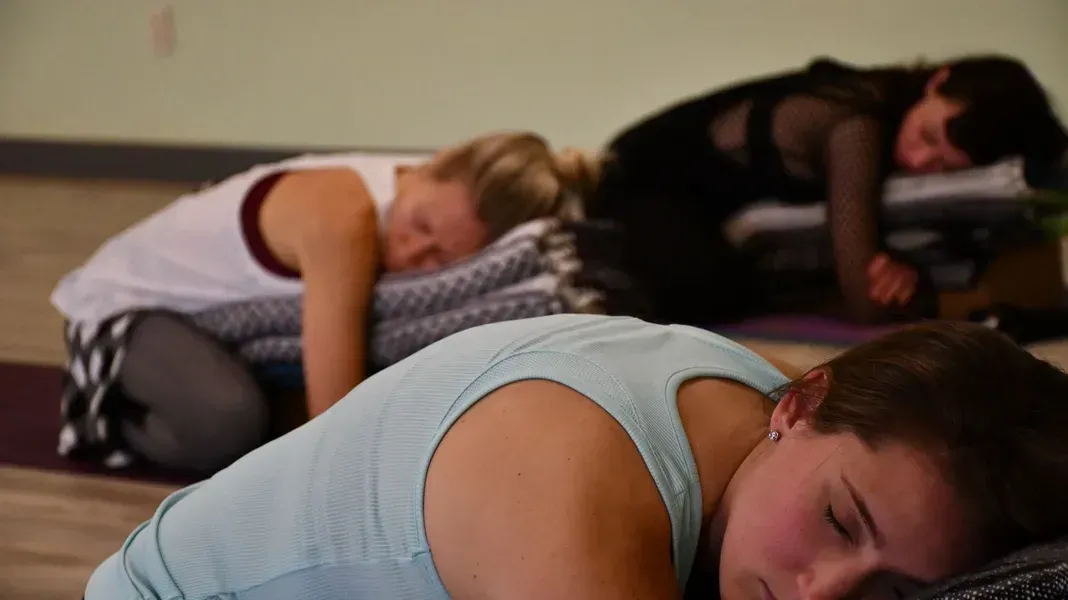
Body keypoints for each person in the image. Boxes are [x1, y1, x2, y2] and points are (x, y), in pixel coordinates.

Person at [83, 312, 1068, 600]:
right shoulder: (575, 498)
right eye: (841, 523)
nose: (820, 597)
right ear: (801, 404)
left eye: (886, 593)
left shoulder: (753, 403)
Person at [50, 131, 600, 472]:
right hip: (121, 313)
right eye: (420, 226)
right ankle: (115, 413)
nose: (413, 255)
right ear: (430, 164)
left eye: (441, 261)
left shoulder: (429, 193)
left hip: (221, 332)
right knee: (229, 423)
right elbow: (336, 416)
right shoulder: (343, 216)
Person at [586, 54, 1068, 326]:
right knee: (708, 294)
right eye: (927, 136)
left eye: (943, 167)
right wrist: (915, 288)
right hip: (636, 184)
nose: (920, 162)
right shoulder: (856, 124)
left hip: (685, 198)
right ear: (937, 82)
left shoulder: (886, 103)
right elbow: (864, 300)